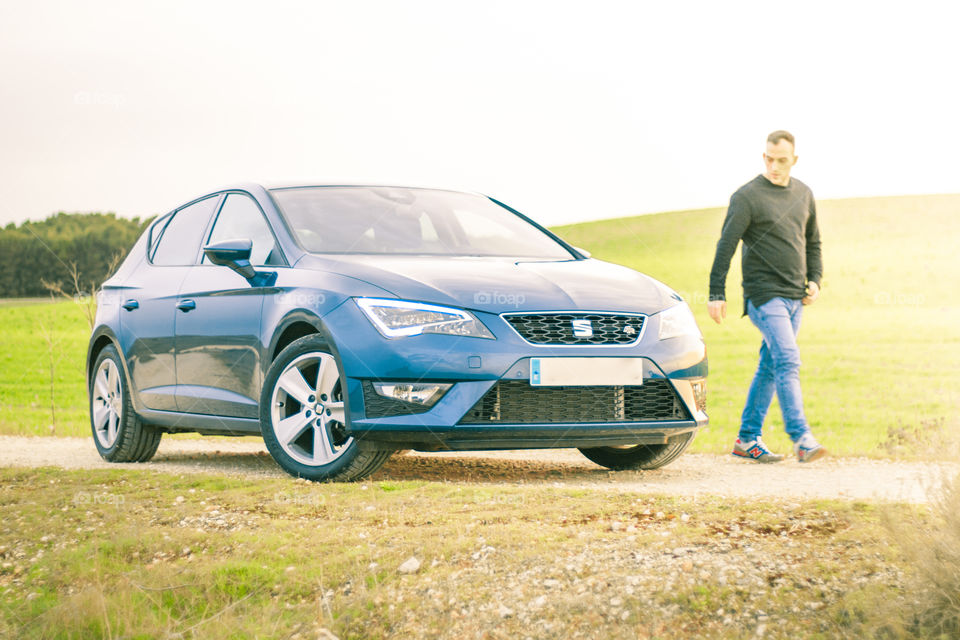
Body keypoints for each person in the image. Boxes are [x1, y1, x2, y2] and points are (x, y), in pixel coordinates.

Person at [707, 130, 826, 463]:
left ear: (794, 160)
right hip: (763, 295)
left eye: (782, 160)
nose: (774, 165)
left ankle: (746, 439)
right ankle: (802, 438)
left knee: (771, 365)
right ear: (764, 157)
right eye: (769, 159)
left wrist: (815, 278)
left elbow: (813, 242)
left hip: (795, 296)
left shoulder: (803, 194)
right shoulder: (747, 197)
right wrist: (717, 292)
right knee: (788, 359)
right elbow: (725, 246)